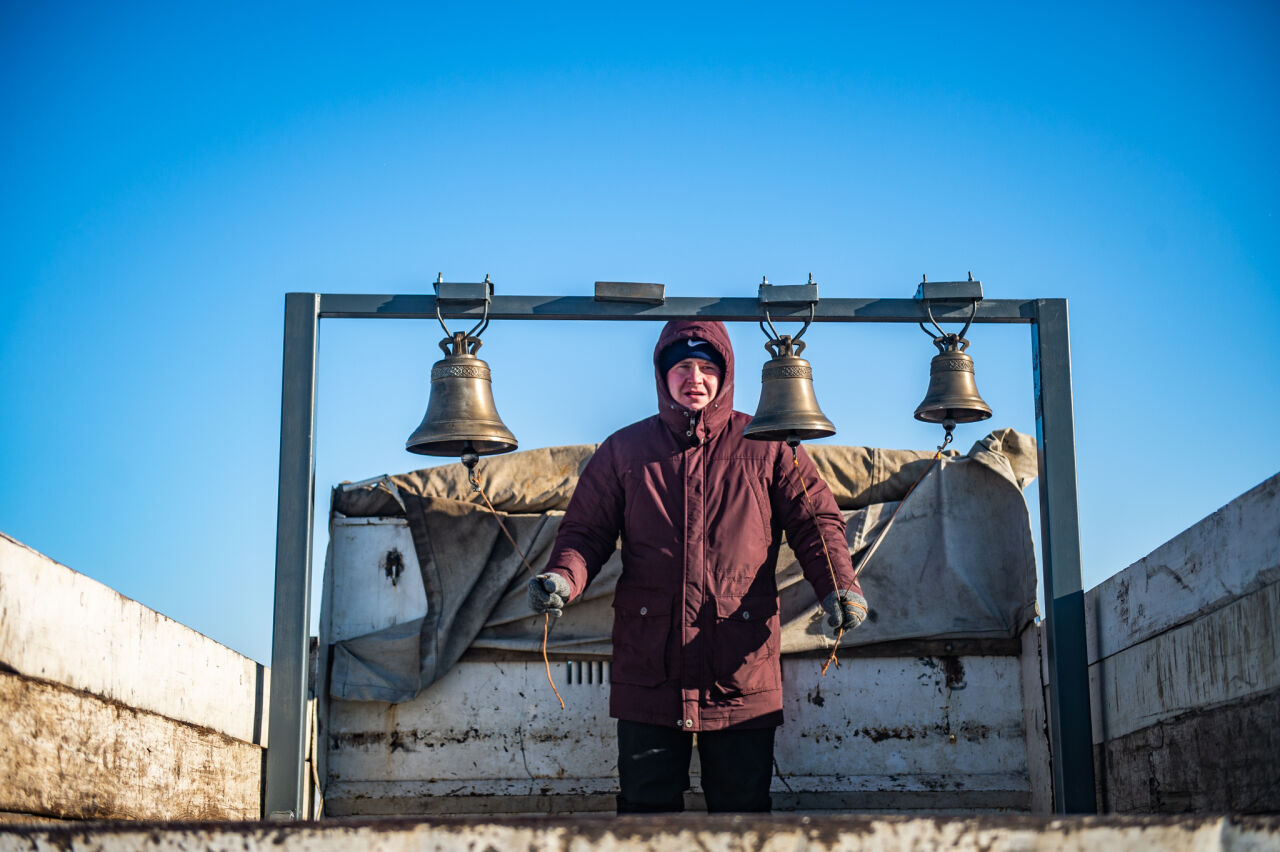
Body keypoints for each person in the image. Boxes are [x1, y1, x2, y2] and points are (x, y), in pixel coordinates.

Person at [527, 319, 866, 814]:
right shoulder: (624, 451)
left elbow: (817, 524)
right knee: (645, 817)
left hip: (738, 673)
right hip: (650, 671)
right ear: (661, 376)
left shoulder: (770, 445)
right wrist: (562, 578)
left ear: (726, 375)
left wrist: (840, 587)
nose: (695, 378)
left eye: (707, 367)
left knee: (742, 815)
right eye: (682, 367)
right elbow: (584, 533)